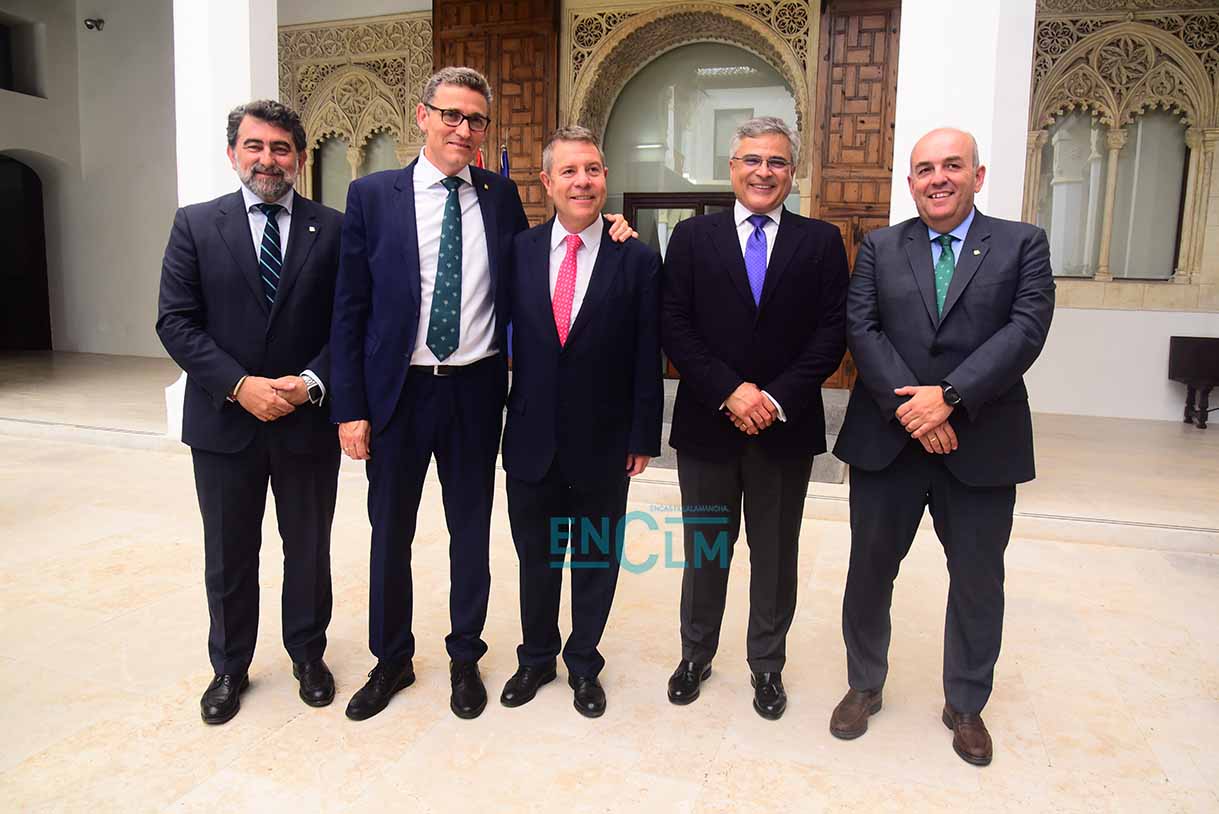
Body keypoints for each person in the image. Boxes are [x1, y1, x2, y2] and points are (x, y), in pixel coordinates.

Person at [330, 67, 633, 721]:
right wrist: (349, 408)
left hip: (475, 390)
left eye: (475, 119)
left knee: (470, 532)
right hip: (397, 395)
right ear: (422, 116)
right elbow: (348, 308)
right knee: (391, 534)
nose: (464, 130)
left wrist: (611, 230)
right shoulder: (372, 196)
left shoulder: (499, 196)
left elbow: (551, 252)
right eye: (452, 115)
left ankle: (464, 657)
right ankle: (392, 659)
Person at [830, 128, 1055, 766]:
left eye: (952, 166)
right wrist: (917, 410)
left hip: (982, 443)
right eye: (925, 169)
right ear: (910, 183)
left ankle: (966, 703)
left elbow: (1026, 330)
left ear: (977, 176)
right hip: (889, 441)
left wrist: (950, 397)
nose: (938, 178)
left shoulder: (1022, 244)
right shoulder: (880, 246)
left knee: (978, 579)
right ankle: (864, 684)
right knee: (870, 571)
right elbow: (862, 328)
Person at [156, 99, 343, 724]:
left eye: (281, 148)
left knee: (308, 550)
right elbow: (176, 322)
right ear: (233, 153)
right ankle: (229, 666)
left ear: (300, 158)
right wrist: (239, 386)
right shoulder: (195, 225)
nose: (268, 159)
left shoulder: (333, 229)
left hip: (305, 422)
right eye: (255, 146)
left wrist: (311, 382)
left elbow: (350, 323)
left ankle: (308, 656)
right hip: (223, 423)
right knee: (230, 553)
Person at [661, 116, 848, 720]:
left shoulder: (821, 241)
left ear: (792, 172)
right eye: (752, 160)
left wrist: (772, 398)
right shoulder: (692, 237)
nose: (763, 172)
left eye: (776, 161)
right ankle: (695, 654)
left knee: (774, 555)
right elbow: (674, 325)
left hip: (784, 429)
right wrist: (730, 392)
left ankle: (767, 665)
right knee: (706, 550)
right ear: (732, 167)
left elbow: (832, 333)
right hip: (708, 427)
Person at [498, 126, 662, 718]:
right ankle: (536, 657)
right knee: (536, 558)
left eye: (592, 169)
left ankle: (584, 662)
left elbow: (647, 353)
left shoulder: (636, 258)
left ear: (606, 178)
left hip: (605, 442)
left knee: (595, 558)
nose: (582, 181)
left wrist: (643, 434)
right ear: (547, 182)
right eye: (568, 171)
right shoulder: (517, 252)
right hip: (532, 438)